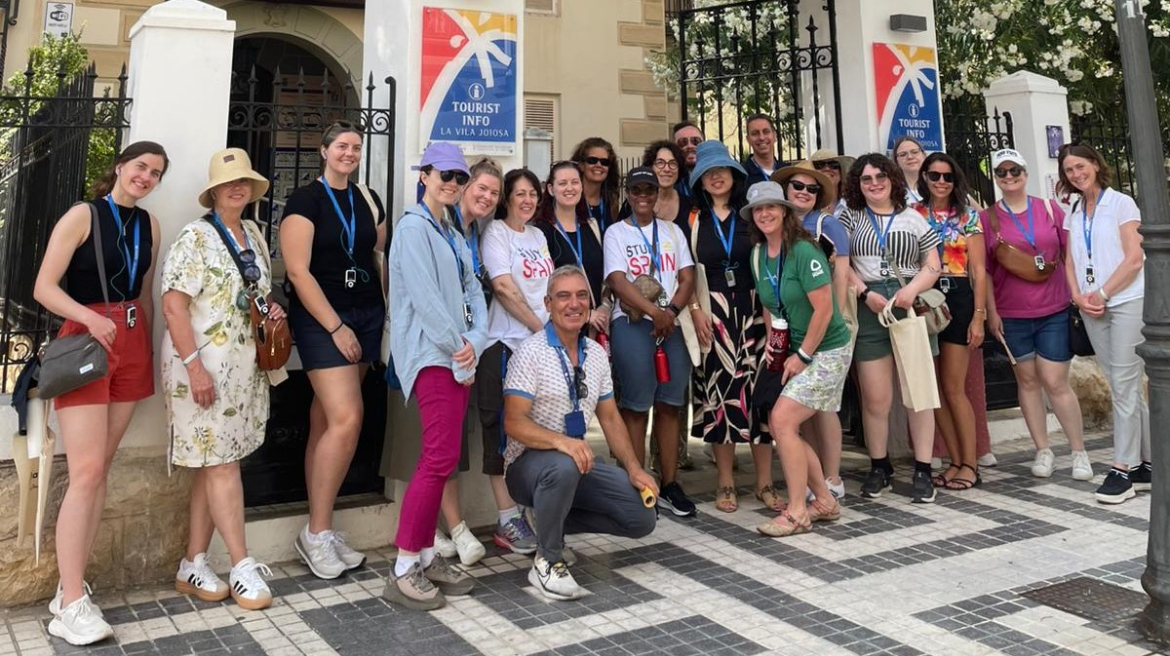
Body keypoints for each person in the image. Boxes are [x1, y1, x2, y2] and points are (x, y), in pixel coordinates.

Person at [33, 141, 168, 645]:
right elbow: (44, 287)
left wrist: (147, 352)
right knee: (86, 471)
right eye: (140, 167)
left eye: (155, 173)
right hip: (87, 340)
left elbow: (146, 292)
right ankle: (70, 603)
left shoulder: (150, 225)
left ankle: (69, 589)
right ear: (120, 166)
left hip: (131, 340)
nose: (145, 177)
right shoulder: (83, 215)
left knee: (100, 469)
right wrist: (89, 318)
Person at [161, 148, 279, 611]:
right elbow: (173, 306)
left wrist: (271, 312)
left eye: (244, 181)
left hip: (242, 371)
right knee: (223, 465)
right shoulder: (195, 237)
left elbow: (256, 295)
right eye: (229, 182)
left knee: (215, 465)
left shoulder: (254, 234)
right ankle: (241, 564)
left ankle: (192, 563)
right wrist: (194, 367)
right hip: (202, 371)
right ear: (213, 191)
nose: (237, 188)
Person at [502, 266, 658, 600]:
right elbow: (513, 422)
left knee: (642, 517)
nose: (574, 304)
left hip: (574, 464)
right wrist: (563, 443)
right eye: (563, 296)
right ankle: (547, 560)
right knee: (563, 465)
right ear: (548, 304)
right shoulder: (530, 352)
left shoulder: (596, 353)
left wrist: (634, 468)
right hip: (527, 467)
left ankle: (547, 519)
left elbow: (611, 418)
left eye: (581, 295)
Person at [281, 121, 386, 579]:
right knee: (348, 419)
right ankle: (317, 532)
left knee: (327, 420)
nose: (349, 153)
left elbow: (378, 253)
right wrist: (336, 326)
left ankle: (318, 526)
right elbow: (298, 272)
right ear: (324, 151)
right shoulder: (304, 200)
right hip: (324, 319)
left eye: (356, 147)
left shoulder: (368, 198)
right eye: (341, 145)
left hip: (367, 314)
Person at [384, 142, 486, 610]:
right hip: (433, 356)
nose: (452, 182)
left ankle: (426, 554)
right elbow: (424, 299)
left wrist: (475, 341)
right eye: (444, 174)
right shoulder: (412, 228)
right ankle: (404, 565)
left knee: (441, 460)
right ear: (423, 175)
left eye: (459, 177)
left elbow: (473, 292)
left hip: (458, 356)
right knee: (437, 459)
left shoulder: (451, 230)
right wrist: (459, 347)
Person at [745, 181, 853, 536]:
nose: (765, 214)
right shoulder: (759, 254)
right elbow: (769, 305)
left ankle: (796, 512)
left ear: (784, 211)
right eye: (758, 209)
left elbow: (825, 309)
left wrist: (803, 355)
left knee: (782, 419)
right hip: (793, 349)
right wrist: (775, 349)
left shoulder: (805, 251)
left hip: (827, 349)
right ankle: (824, 500)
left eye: (771, 207)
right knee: (781, 423)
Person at [982, 149, 1092, 482]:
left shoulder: (1048, 208)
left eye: (1014, 170)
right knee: (1027, 381)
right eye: (1002, 172)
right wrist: (991, 313)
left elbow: (1069, 254)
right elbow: (985, 271)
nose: (1009, 177)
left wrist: (1076, 293)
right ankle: (1043, 449)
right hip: (1012, 313)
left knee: (1055, 381)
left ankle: (1078, 451)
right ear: (995, 178)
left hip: (1053, 308)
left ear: (1025, 174)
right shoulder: (988, 218)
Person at [839, 153, 942, 504]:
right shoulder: (850, 217)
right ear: (858, 184)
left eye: (880, 177)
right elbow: (841, 262)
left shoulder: (913, 217)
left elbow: (933, 264)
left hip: (908, 305)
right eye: (866, 179)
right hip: (869, 307)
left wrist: (911, 290)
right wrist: (864, 293)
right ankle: (879, 465)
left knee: (918, 394)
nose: (874, 184)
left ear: (892, 179)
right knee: (876, 397)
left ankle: (923, 469)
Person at [681, 140, 774, 513]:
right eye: (708, 173)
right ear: (700, 181)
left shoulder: (751, 215)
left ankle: (765, 483)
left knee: (760, 397)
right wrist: (694, 310)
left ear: (734, 175)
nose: (716, 177)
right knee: (720, 398)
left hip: (755, 313)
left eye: (722, 170)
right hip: (713, 316)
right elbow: (685, 272)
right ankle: (726, 483)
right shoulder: (693, 220)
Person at [1059, 143, 1150, 504]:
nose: (1076, 174)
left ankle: (1122, 469)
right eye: (1069, 170)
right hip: (1090, 306)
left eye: (1081, 166)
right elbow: (1069, 260)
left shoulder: (1121, 203)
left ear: (1096, 165)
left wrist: (1103, 293)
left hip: (1125, 302)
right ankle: (1148, 465)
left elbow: (1134, 259)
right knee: (1121, 385)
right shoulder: (1074, 209)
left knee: (1125, 385)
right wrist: (1078, 296)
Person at [605, 166, 697, 516]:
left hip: (670, 324)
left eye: (649, 190)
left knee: (671, 404)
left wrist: (669, 312)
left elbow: (687, 277)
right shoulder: (616, 232)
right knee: (635, 406)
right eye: (636, 190)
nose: (643, 196)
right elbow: (617, 281)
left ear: (658, 194)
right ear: (628, 194)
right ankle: (638, 484)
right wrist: (653, 312)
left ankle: (670, 483)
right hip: (633, 323)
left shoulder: (672, 230)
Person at [476, 168, 555, 555]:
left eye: (533, 194)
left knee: (534, 431)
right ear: (507, 197)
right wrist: (541, 329)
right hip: (506, 346)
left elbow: (547, 289)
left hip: (539, 348)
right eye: (520, 193)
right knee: (501, 433)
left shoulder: (538, 236)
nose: (527, 200)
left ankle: (528, 509)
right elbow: (504, 288)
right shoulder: (496, 233)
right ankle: (507, 518)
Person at [431, 157, 503, 566]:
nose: (487, 197)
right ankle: (452, 527)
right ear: (464, 185)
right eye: (481, 188)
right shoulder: (441, 224)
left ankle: (442, 524)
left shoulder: (477, 230)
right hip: (443, 346)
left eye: (494, 193)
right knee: (441, 441)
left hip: (469, 344)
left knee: (453, 437)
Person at [771, 160, 852, 499]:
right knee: (804, 408)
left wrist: (833, 318)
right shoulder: (778, 224)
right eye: (797, 186)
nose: (804, 192)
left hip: (826, 328)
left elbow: (841, 276)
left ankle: (831, 477)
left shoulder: (827, 225)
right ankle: (811, 476)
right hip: (794, 329)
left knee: (825, 406)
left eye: (812, 188)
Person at [914, 152, 988, 491]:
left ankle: (970, 464)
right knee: (934, 390)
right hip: (925, 299)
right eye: (934, 175)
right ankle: (955, 460)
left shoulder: (968, 215)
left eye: (948, 176)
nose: (941, 182)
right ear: (924, 178)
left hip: (958, 297)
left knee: (955, 388)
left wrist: (979, 316)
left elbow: (979, 270)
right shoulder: (913, 214)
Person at [533, 161, 609, 329]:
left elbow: (603, 278)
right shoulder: (540, 232)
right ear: (551, 189)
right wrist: (586, 314)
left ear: (581, 187)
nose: (569, 188)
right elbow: (540, 287)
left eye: (575, 182)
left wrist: (605, 305)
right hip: (561, 325)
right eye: (562, 183)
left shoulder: (592, 225)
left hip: (596, 326)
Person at [571, 137, 619, 231]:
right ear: (581, 165)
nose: (599, 165)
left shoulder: (611, 202)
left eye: (604, 162)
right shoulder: (570, 199)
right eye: (592, 160)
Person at [644, 140, 692, 224]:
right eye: (660, 163)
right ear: (651, 167)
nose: (667, 169)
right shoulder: (636, 202)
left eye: (673, 163)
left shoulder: (690, 206)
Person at [809, 149, 854, 217]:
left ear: (841, 173)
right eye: (819, 165)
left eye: (833, 165)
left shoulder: (853, 205)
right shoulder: (805, 204)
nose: (827, 169)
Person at [743, 113, 779, 186]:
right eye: (755, 133)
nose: (761, 138)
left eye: (766, 132)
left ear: (775, 136)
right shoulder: (741, 175)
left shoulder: (786, 172)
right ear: (748, 139)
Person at [673, 121, 705, 200]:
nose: (690, 146)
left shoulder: (716, 176)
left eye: (695, 141)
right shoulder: (669, 181)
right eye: (683, 142)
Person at [893, 136, 926, 205]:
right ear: (896, 161)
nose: (910, 157)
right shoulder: (893, 191)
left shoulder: (937, 184)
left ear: (924, 155)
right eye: (903, 154)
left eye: (914, 152)